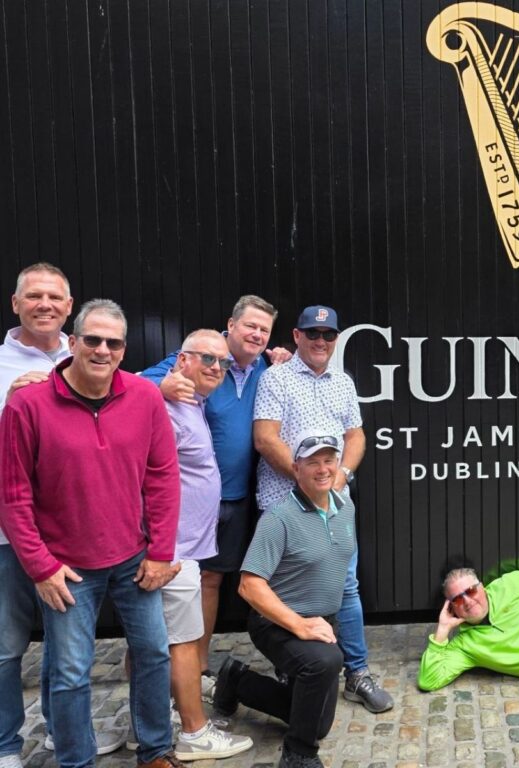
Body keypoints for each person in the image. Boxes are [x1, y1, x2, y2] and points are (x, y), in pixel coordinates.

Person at [0, 299, 182, 768]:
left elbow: (162, 476)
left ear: (124, 349)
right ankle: (76, 761)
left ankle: (155, 751)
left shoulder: (144, 397)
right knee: (69, 674)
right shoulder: (26, 405)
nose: (103, 350)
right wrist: (40, 567)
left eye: (113, 343)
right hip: (66, 569)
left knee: (154, 654)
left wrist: (161, 551)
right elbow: (13, 496)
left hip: (134, 558)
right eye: (93, 339)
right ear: (73, 341)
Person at [0, 264, 126, 768]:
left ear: (69, 308)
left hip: (70, 534)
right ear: (16, 304)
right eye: (34, 296)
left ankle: (61, 731)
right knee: (7, 645)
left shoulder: (88, 352)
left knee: (65, 646)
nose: (45, 304)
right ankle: (6, 744)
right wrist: (10, 407)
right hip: (9, 536)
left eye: (55, 297)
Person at [253, 305, 392, 713]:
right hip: (285, 504)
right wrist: (308, 480)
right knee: (286, 591)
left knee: (345, 586)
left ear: (336, 339)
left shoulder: (343, 382)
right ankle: (292, 670)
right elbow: (265, 438)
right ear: (297, 336)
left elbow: (356, 436)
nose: (320, 341)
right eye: (312, 334)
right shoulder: (276, 378)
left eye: (328, 335)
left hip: (334, 505)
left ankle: (357, 673)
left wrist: (340, 476)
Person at [141, 295, 285, 685]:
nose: (257, 335)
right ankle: (159, 672)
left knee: (211, 581)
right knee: (172, 586)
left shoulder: (264, 367)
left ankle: (198, 668)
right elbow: (134, 384)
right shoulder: (203, 356)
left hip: (235, 499)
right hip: (186, 505)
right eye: (250, 326)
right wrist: (162, 386)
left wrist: (281, 360)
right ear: (231, 325)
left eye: (264, 330)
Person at [212, 432, 356, 768]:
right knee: (325, 661)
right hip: (276, 622)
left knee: (317, 724)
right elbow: (249, 586)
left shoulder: (346, 507)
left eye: (329, 460)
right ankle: (298, 754)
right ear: (296, 468)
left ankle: (237, 680)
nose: (323, 469)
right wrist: (299, 625)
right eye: (313, 462)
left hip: (322, 621)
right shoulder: (278, 519)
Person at [154, 330, 252, 760]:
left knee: (155, 640)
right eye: (206, 359)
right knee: (183, 641)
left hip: (183, 547)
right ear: (181, 360)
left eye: (222, 363)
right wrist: (158, 547)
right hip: (171, 550)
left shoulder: (193, 403)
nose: (216, 368)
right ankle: (194, 732)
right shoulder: (162, 404)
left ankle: (154, 720)